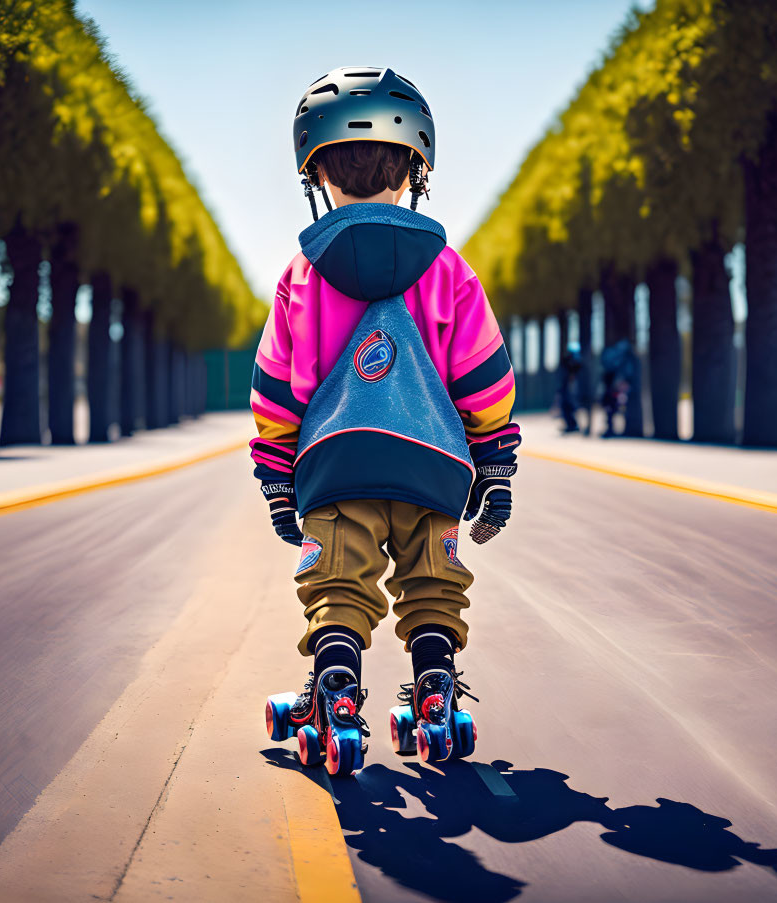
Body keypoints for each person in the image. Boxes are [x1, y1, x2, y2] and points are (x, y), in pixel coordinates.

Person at [256, 67, 520, 775]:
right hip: (432, 464)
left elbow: (276, 388)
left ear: (315, 172)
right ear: (416, 171)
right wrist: (494, 462)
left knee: (337, 586)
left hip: (336, 464)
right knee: (433, 583)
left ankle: (335, 688)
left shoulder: (300, 275)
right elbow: (484, 375)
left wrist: (276, 477)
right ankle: (435, 686)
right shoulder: (448, 270)